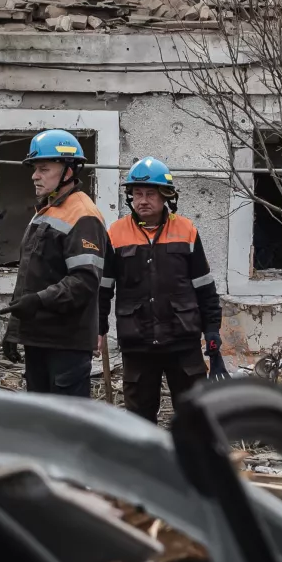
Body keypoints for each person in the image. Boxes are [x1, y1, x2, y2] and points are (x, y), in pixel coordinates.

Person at [98, 157, 221, 423]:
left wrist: (212, 329)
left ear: (166, 196)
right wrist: (98, 328)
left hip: (182, 342)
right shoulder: (115, 233)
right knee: (139, 421)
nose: (142, 200)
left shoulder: (186, 230)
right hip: (138, 343)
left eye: (150, 194)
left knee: (195, 418)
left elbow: (204, 286)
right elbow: (103, 289)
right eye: (137, 194)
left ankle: (193, 464)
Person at [0, 130, 108, 397]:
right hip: (39, 338)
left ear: (69, 170)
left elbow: (84, 280)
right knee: (41, 424)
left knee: (66, 428)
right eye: (35, 169)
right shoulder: (47, 211)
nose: (34, 175)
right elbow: (30, 275)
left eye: (43, 169)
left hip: (66, 343)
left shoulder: (83, 215)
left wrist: (38, 301)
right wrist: (15, 331)